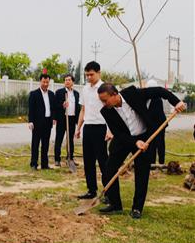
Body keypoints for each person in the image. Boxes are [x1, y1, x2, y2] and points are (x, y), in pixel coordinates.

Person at [97, 83, 186, 219]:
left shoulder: (133, 93)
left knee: (142, 173)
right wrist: (134, 142)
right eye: (101, 101)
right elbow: (118, 133)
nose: (103, 103)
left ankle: (137, 208)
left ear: (114, 95)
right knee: (109, 169)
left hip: (145, 137)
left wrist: (176, 102)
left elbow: (159, 91)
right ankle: (115, 205)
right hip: (124, 140)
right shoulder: (106, 111)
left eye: (105, 100)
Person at [76, 61, 112, 200]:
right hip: (88, 127)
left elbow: (110, 110)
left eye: (91, 74)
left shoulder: (104, 89)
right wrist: (78, 128)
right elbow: (83, 110)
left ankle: (108, 192)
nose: (89, 77)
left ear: (99, 73)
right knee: (88, 161)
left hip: (101, 128)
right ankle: (91, 190)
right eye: (87, 75)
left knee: (103, 161)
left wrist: (109, 130)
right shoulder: (85, 89)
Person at [28, 73, 55, 170]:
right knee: (35, 144)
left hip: (48, 122)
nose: (45, 84)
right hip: (37, 123)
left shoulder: (51, 94)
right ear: (40, 82)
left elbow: (53, 108)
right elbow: (31, 109)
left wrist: (54, 118)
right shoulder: (34, 94)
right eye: (44, 82)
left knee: (45, 144)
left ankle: (44, 164)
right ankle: (34, 164)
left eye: (47, 82)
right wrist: (30, 121)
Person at [54, 74, 80, 167]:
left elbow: (78, 108)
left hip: (72, 119)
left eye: (69, 80)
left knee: (70, 140)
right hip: (62, 119)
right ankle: (57, 159)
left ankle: (70, 158)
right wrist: (62, 105)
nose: (67, 81)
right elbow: (55, 106)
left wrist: (78, 121)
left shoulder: (76, 94)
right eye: (65, 80)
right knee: (59, 139)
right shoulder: (59, 92)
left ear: (73, 82)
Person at [146, 79, 167, 165]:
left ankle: (161, 162)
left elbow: (155, 114)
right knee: (152, 144)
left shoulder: (157, 99)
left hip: (159, 125)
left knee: (160, 144)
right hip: (152, 125)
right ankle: (152, 161)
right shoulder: (147, 98)